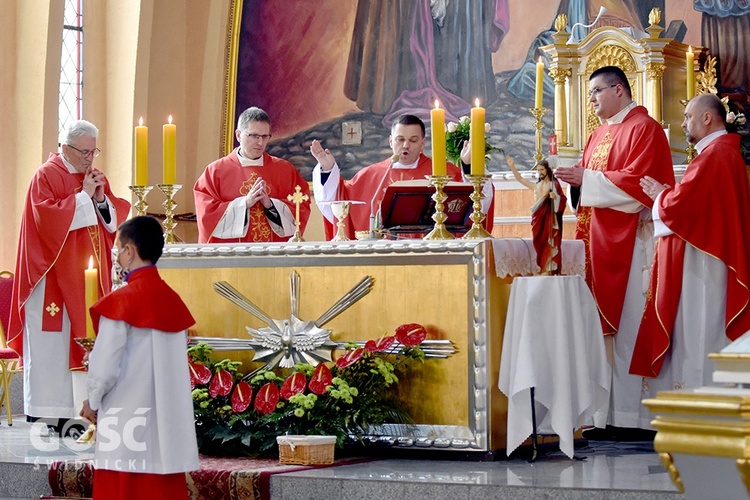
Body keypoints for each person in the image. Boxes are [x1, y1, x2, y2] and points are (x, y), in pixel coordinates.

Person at [555, 66, 674, 437]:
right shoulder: (597, 134)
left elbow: (641, 185)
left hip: (632, 245)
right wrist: (575, 181)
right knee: (601, 331)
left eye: (595, 92)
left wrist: (586, 180)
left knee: (630, 327)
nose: (590, 101)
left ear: (618, 90)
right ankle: (604, 415)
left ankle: (633, 416)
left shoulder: (645, 128)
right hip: (597, 242)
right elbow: (588, 187)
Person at [7, 120, 130, 426]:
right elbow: (46, 220)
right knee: (54, 345)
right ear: (65, 147)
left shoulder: (93, 176)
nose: (91, 158)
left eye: (94, 151)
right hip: (51, 277)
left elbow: (111, 222)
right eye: (85, 152)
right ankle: (50, 413)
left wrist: (101, 198)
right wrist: (85, 196)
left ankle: (82, 411)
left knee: (87, 339)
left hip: (89, 277)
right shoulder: (46, 175)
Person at [630, 93, 750, 387]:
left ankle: (704, 409)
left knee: (700, 330)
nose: (684, 124)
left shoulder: (716, 154)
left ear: (707, 118)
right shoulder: (723, 152)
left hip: (706, 263)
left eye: (688, 117)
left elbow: (681, 206)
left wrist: (660, 195)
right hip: (712, 253)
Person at [80, 216, 199, 499]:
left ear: (129, 251)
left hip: (126, 426)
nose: (117, 257)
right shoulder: (171, 299)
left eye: (117, 249)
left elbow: (105, 366)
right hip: (165, 432)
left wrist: (91, 402)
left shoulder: (121, 302)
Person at [311, 114, 493, 240]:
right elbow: (339, 204)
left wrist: (468, 164)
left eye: (413, 140)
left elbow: (477, 203)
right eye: (400, 139)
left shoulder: (445, 173)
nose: (406, 145)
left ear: (422, 143)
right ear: (391, 141)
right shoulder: (370, 175)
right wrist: (328, 169)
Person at [194, 106, 311, 243]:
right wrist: (244, 203)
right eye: (254, 136)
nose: (260, 142)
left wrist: (271, 205)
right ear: (238, 135)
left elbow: (301, 207)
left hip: (273, 257)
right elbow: (207, 215)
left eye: (264, 136)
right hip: (233, 258)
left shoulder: (285, 170)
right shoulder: (215, 171)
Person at [506, 156, 566, 275]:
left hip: (549, 218)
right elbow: (520, 179)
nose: (540, 173)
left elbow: (562, 199)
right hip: (538, 218)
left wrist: (556, 198)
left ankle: (549, 267)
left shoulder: (553, 184)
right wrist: (512, 166)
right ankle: (543, 266)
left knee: (549, 241)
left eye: (542, 170)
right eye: (538, 170)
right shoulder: (536, 186)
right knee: (538, 242)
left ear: (548, 170)